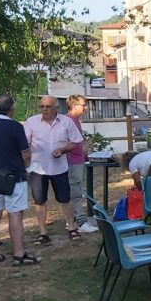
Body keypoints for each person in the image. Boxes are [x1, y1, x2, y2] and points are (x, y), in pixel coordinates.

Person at [0, 95, 39, 266]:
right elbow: (26, 154)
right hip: (14, 176)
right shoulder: (15, 127)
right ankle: (19, 254)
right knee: (15, 214)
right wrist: (26, 165)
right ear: (12, 108)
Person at [24, 95, 83, 245]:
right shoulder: (32, 122)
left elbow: (75, 141)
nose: (44, 109)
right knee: (39, 201)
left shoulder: (66, 121)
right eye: (42, 106)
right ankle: (43, 233)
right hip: (38, 168)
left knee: (65, 199)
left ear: (56, 107)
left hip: (59, 167)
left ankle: (71, 227)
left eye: (48, 106)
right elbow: (24, 144)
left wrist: (62, 150)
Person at [65, 94, 97, 234]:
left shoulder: (76, 121)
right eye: (83, 105)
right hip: (72, 162)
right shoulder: (67, 121)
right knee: (75, 191)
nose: (86, 107)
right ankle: (81, 221)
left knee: (76, 190)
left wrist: (83, 153)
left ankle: (71, 219)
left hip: (78, 160)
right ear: (73, 106)